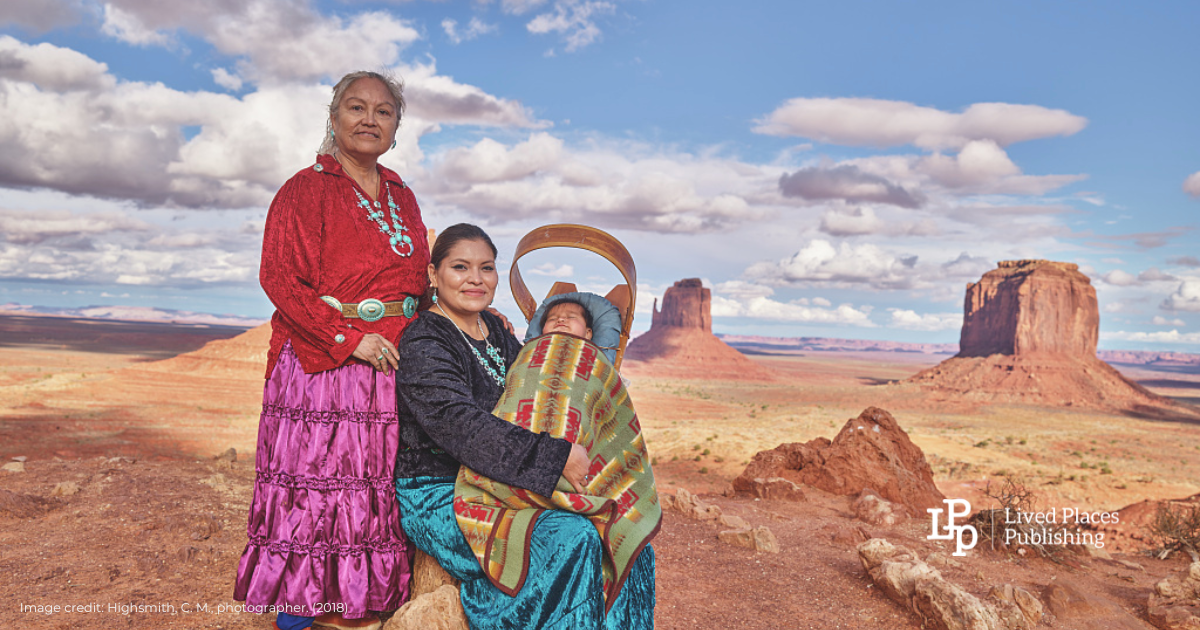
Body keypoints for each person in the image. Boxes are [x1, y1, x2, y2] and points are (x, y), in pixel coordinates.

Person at [234, 70, 425, 630]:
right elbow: (279, 279)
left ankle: (365, 607)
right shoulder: (305, 189)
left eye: (383, 111)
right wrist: (348, 339)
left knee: (376, 494)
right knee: (323, 490)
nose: (370, 119)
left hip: (393, 360)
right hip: (326, 363)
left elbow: (417, 282)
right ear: (334, 116)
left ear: (395, 125)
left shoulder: (404, 195)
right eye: (356, 107)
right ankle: (306, 612)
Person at [393, 224, 656, 630]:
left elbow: (542, 390)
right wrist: (555, 458)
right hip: (439, 490)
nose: (475, 279)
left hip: (501, 479)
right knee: (571, 538)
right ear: (433, 275)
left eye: (487, 268)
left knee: (624, 533)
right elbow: (459, 425)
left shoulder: (496, 331)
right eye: (460, 267)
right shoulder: (425, 340)